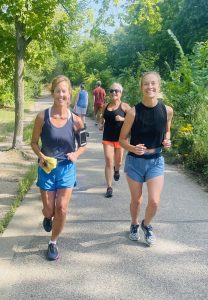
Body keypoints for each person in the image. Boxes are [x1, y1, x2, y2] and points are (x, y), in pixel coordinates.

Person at [31, 75, 86, 260]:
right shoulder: (42, 117)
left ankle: (53, 242)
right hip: (47, 169)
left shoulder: (77, 120)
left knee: (61, 208)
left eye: (64, 91)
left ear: (69, 94)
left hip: (66, 169)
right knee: (50, 210)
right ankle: (47, 217)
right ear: (52, 93)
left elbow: (84, 145)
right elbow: (33, 143)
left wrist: (76, 154)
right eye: (57, 91)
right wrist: (41, 156)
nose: (61, 95)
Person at [119, 71, 173, 246]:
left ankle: (146, 224)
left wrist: (167, 140)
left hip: (156, 160)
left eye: (153, 83)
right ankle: (134, 223)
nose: (150, 87)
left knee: (155, 202)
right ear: (141, 87)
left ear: (159, 86)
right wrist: (133, 148)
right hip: (135, 162)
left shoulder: (167, 110)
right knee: (137, 199)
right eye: (146, 84)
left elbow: (167, 130)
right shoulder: (133, 113)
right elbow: (121, 140)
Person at [99, 83, 131, 198]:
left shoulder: (125, 107)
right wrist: (101, 124)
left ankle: (116, 170)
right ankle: (109, 187)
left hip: (121, 139)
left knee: (118, 162)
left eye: (116, 91)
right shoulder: (106, 106)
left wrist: (122, 118)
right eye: (111, 90)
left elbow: (134, 120)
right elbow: (102, 117)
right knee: (109, 161)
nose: (113, 93)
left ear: (121, 93)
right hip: (107, 137)